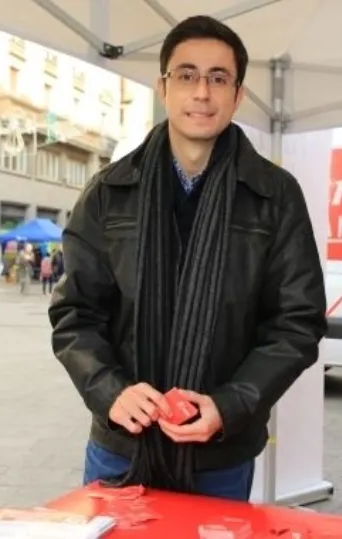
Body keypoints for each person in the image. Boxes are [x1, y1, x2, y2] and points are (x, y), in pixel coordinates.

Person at [48, 16, 326, 501]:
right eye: (187, 75)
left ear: (237, 95)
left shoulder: (274, 196)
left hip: (221, 451)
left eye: (218, 78)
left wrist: (230, 404)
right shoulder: (109, 193)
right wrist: (111, 392)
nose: (202, 92)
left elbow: (296, 323)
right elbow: (76, 314)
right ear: (163, 87)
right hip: (121, 445)